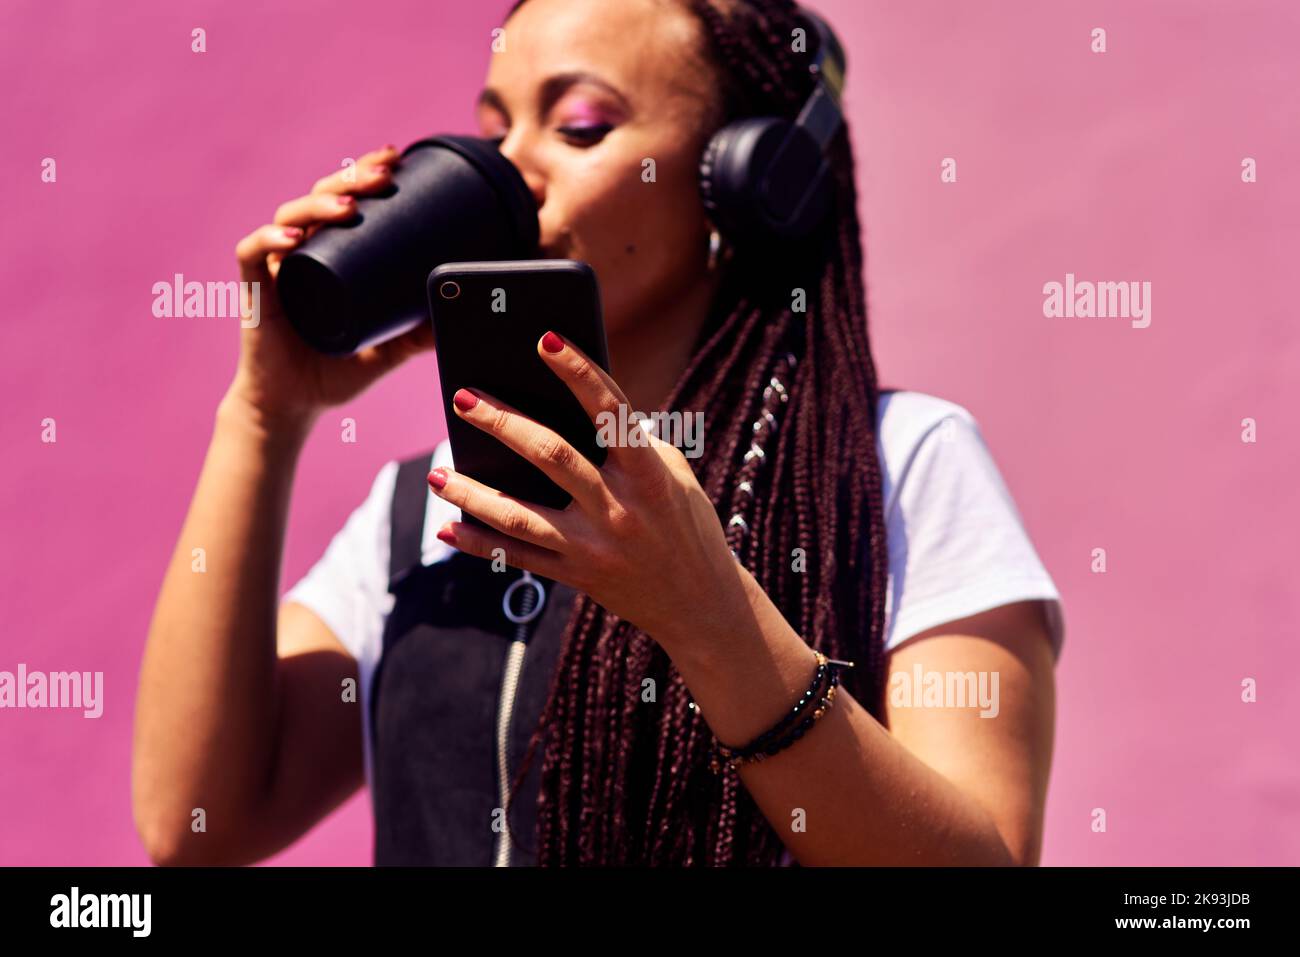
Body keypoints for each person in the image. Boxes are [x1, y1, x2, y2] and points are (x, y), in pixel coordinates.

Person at [133, 0, 1064, 867]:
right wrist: (264, 416)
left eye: (580, 126)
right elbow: (196, 820)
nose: (509, 169)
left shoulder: (894, 463)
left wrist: (710, 620)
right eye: (497, 128)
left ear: (741, 186)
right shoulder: (426, 504)